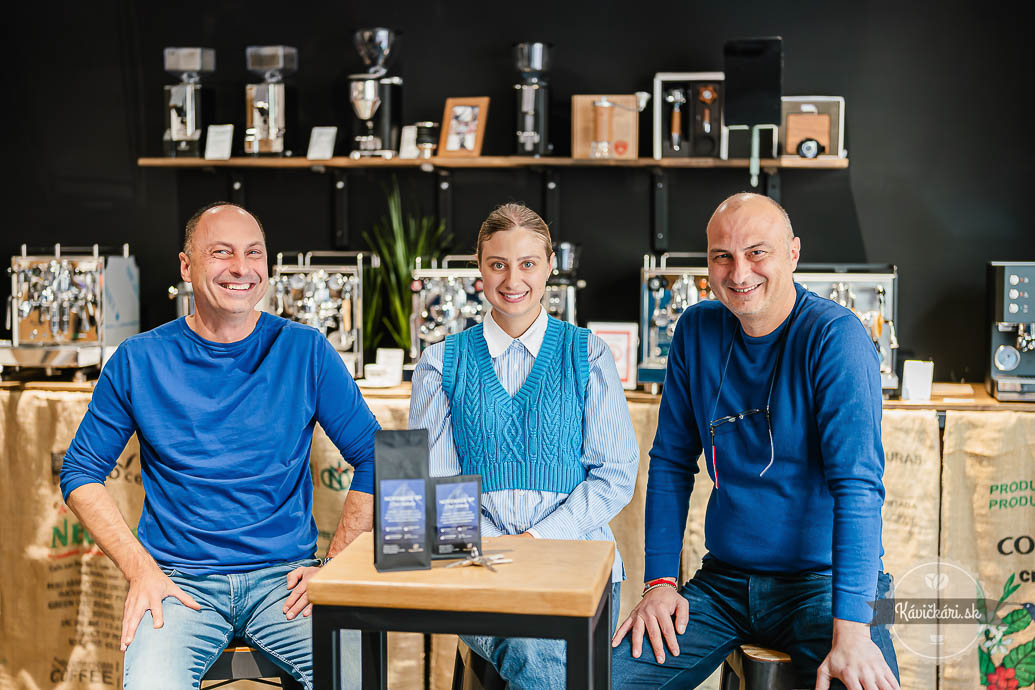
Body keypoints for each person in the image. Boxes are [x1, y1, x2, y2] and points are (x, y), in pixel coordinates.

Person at [59, 202, 379, 690]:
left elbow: (376, 454)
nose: (241, 268)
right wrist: (140, 569)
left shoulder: (305, 350)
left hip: (286, 581)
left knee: (352, 677)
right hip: (177, 583)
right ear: (186, 266)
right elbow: (80, 472)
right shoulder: (138, 359)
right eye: (221, 253)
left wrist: (334, 569)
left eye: (254, 253)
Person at [611, 193, 900, 690]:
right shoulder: (695, 330)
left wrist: (853, 632)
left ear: (793, 253)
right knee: (601, 677)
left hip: (827, 585)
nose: (739, 272)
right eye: (722, 256)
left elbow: (858, 487)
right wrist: (659, 583)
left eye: (756, 252)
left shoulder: (837, 337)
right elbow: (671, 462)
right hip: (724, 583)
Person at [409, 203, 639, 688]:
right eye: (498, 264)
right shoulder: (440, 363)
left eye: (528, 263)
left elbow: (615, 476)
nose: (513, 279)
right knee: (535, 650)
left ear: (550, 266)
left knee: (541, 650)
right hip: (479, 567)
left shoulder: (588, 354)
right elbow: (435, 484)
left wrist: (535, 542)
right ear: (479, 268)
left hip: (579, 567)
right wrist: (496, 548)